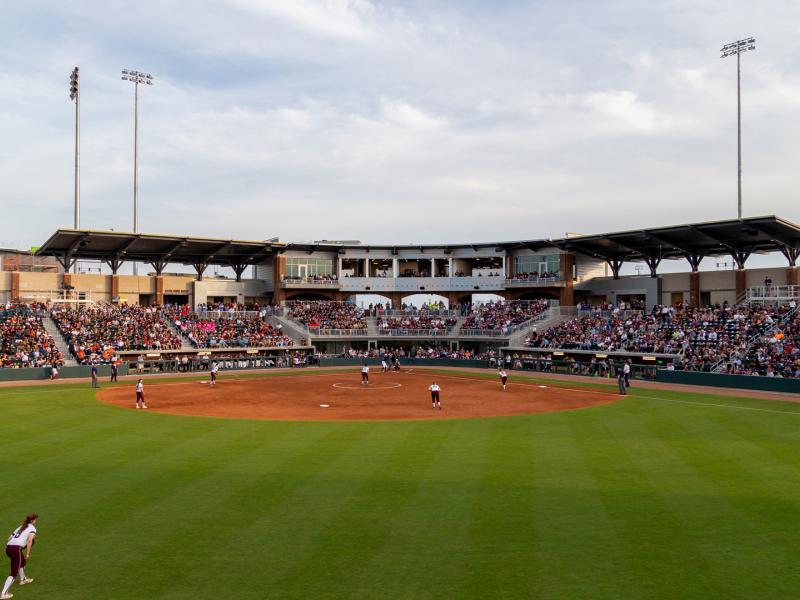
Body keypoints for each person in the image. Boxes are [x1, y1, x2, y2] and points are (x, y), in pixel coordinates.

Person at [2, 513, 38, 599]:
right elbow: (30, 541)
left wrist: (7, 547)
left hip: (9, 548)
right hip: (16, 549)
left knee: (22, 561)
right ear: (32, 521)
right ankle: (3, 594)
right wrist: (28, 553)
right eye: (36, 520)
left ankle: (23, 579)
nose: (36, 521)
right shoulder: (32, 528)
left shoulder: (21, 527)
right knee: (13, 572)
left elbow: (9, 538)